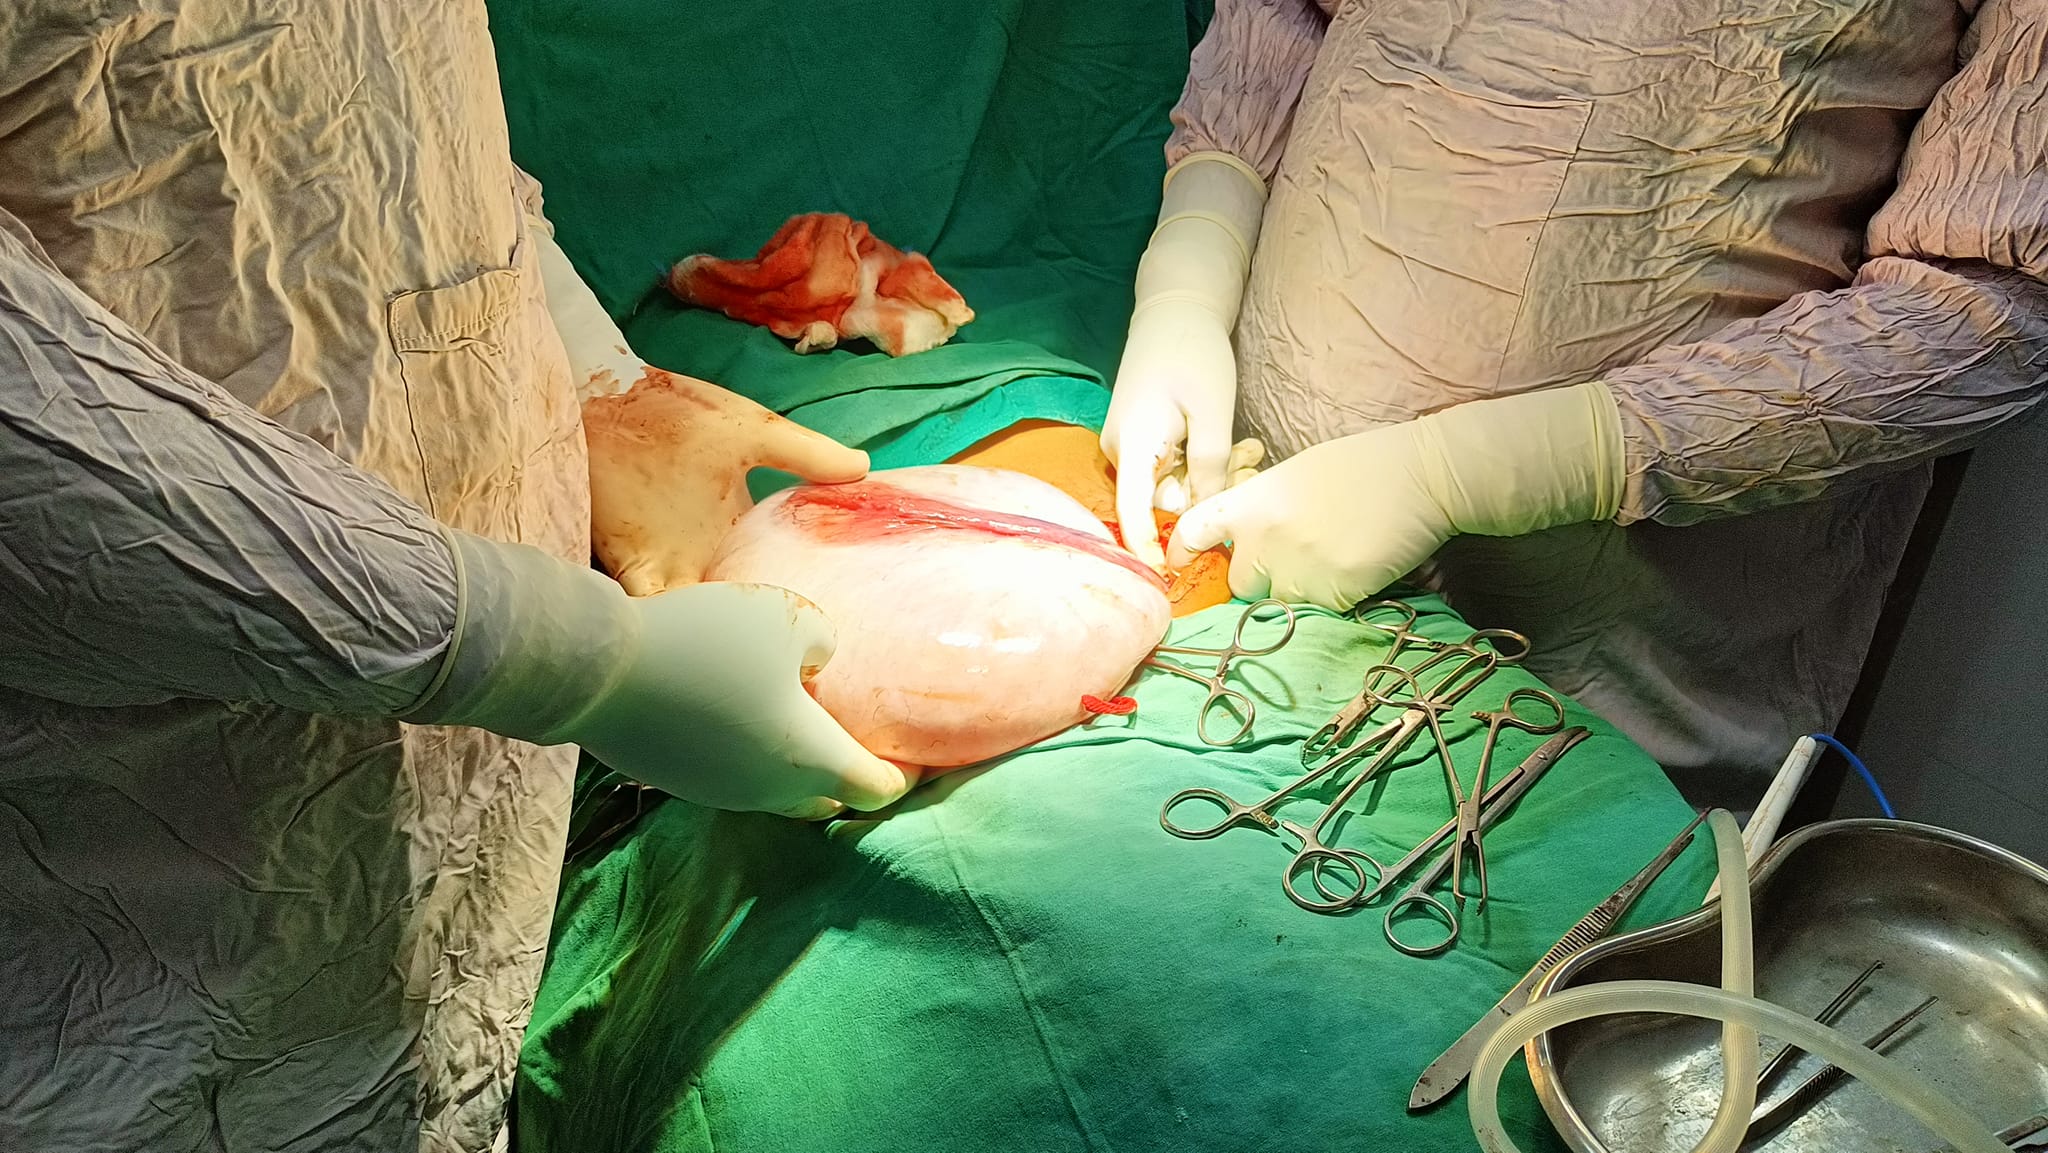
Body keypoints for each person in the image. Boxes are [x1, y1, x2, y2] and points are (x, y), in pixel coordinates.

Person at [0, 3, 913, 1150]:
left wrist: (589, 373)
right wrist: (564, 656)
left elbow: (375, 116)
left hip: (452, 883)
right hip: (156, 912)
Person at [1103, 0, 2048, 802]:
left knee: (1548, 927)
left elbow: (1988, 307)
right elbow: (1286, 16)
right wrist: (1195, 259)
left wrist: (1484, 470)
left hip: (1603, 651)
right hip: (1248, 508)